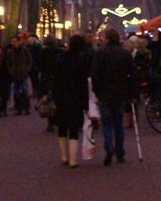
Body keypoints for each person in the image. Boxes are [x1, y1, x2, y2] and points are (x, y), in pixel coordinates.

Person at [91, 27, 135, 166]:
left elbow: (95, 75)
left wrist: (96, 91)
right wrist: (132, 93)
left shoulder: (100, 53)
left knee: (106, 123)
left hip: (105, 93)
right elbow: (132, 75)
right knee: (118, 123)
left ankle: (109, 146)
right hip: (120, 92)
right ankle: (120, 152)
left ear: (107, 38)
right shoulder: (125, 54)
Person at [52, 34, 90, 168]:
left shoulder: (60, 58)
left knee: (62, 127)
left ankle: (64, 156)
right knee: (74, 128)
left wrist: (55, 96)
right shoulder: (81, 60)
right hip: (76, 98)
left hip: (61, 97)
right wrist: (85, 104)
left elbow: (55, 79)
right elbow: (83, 83)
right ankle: (73, 160)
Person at [3, 35, 33, 115]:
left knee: (24, 91)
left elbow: (29, 60)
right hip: (15, 75)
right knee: (16, 93)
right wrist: (11, 71)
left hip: (23, 74)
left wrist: (26, 69)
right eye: (12, 42)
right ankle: (18, 109)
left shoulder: (24, 50)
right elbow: (8, 62)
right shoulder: (10, 51)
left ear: (19, 42)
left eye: (15, 42)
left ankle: (26, 108)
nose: (13, 43)